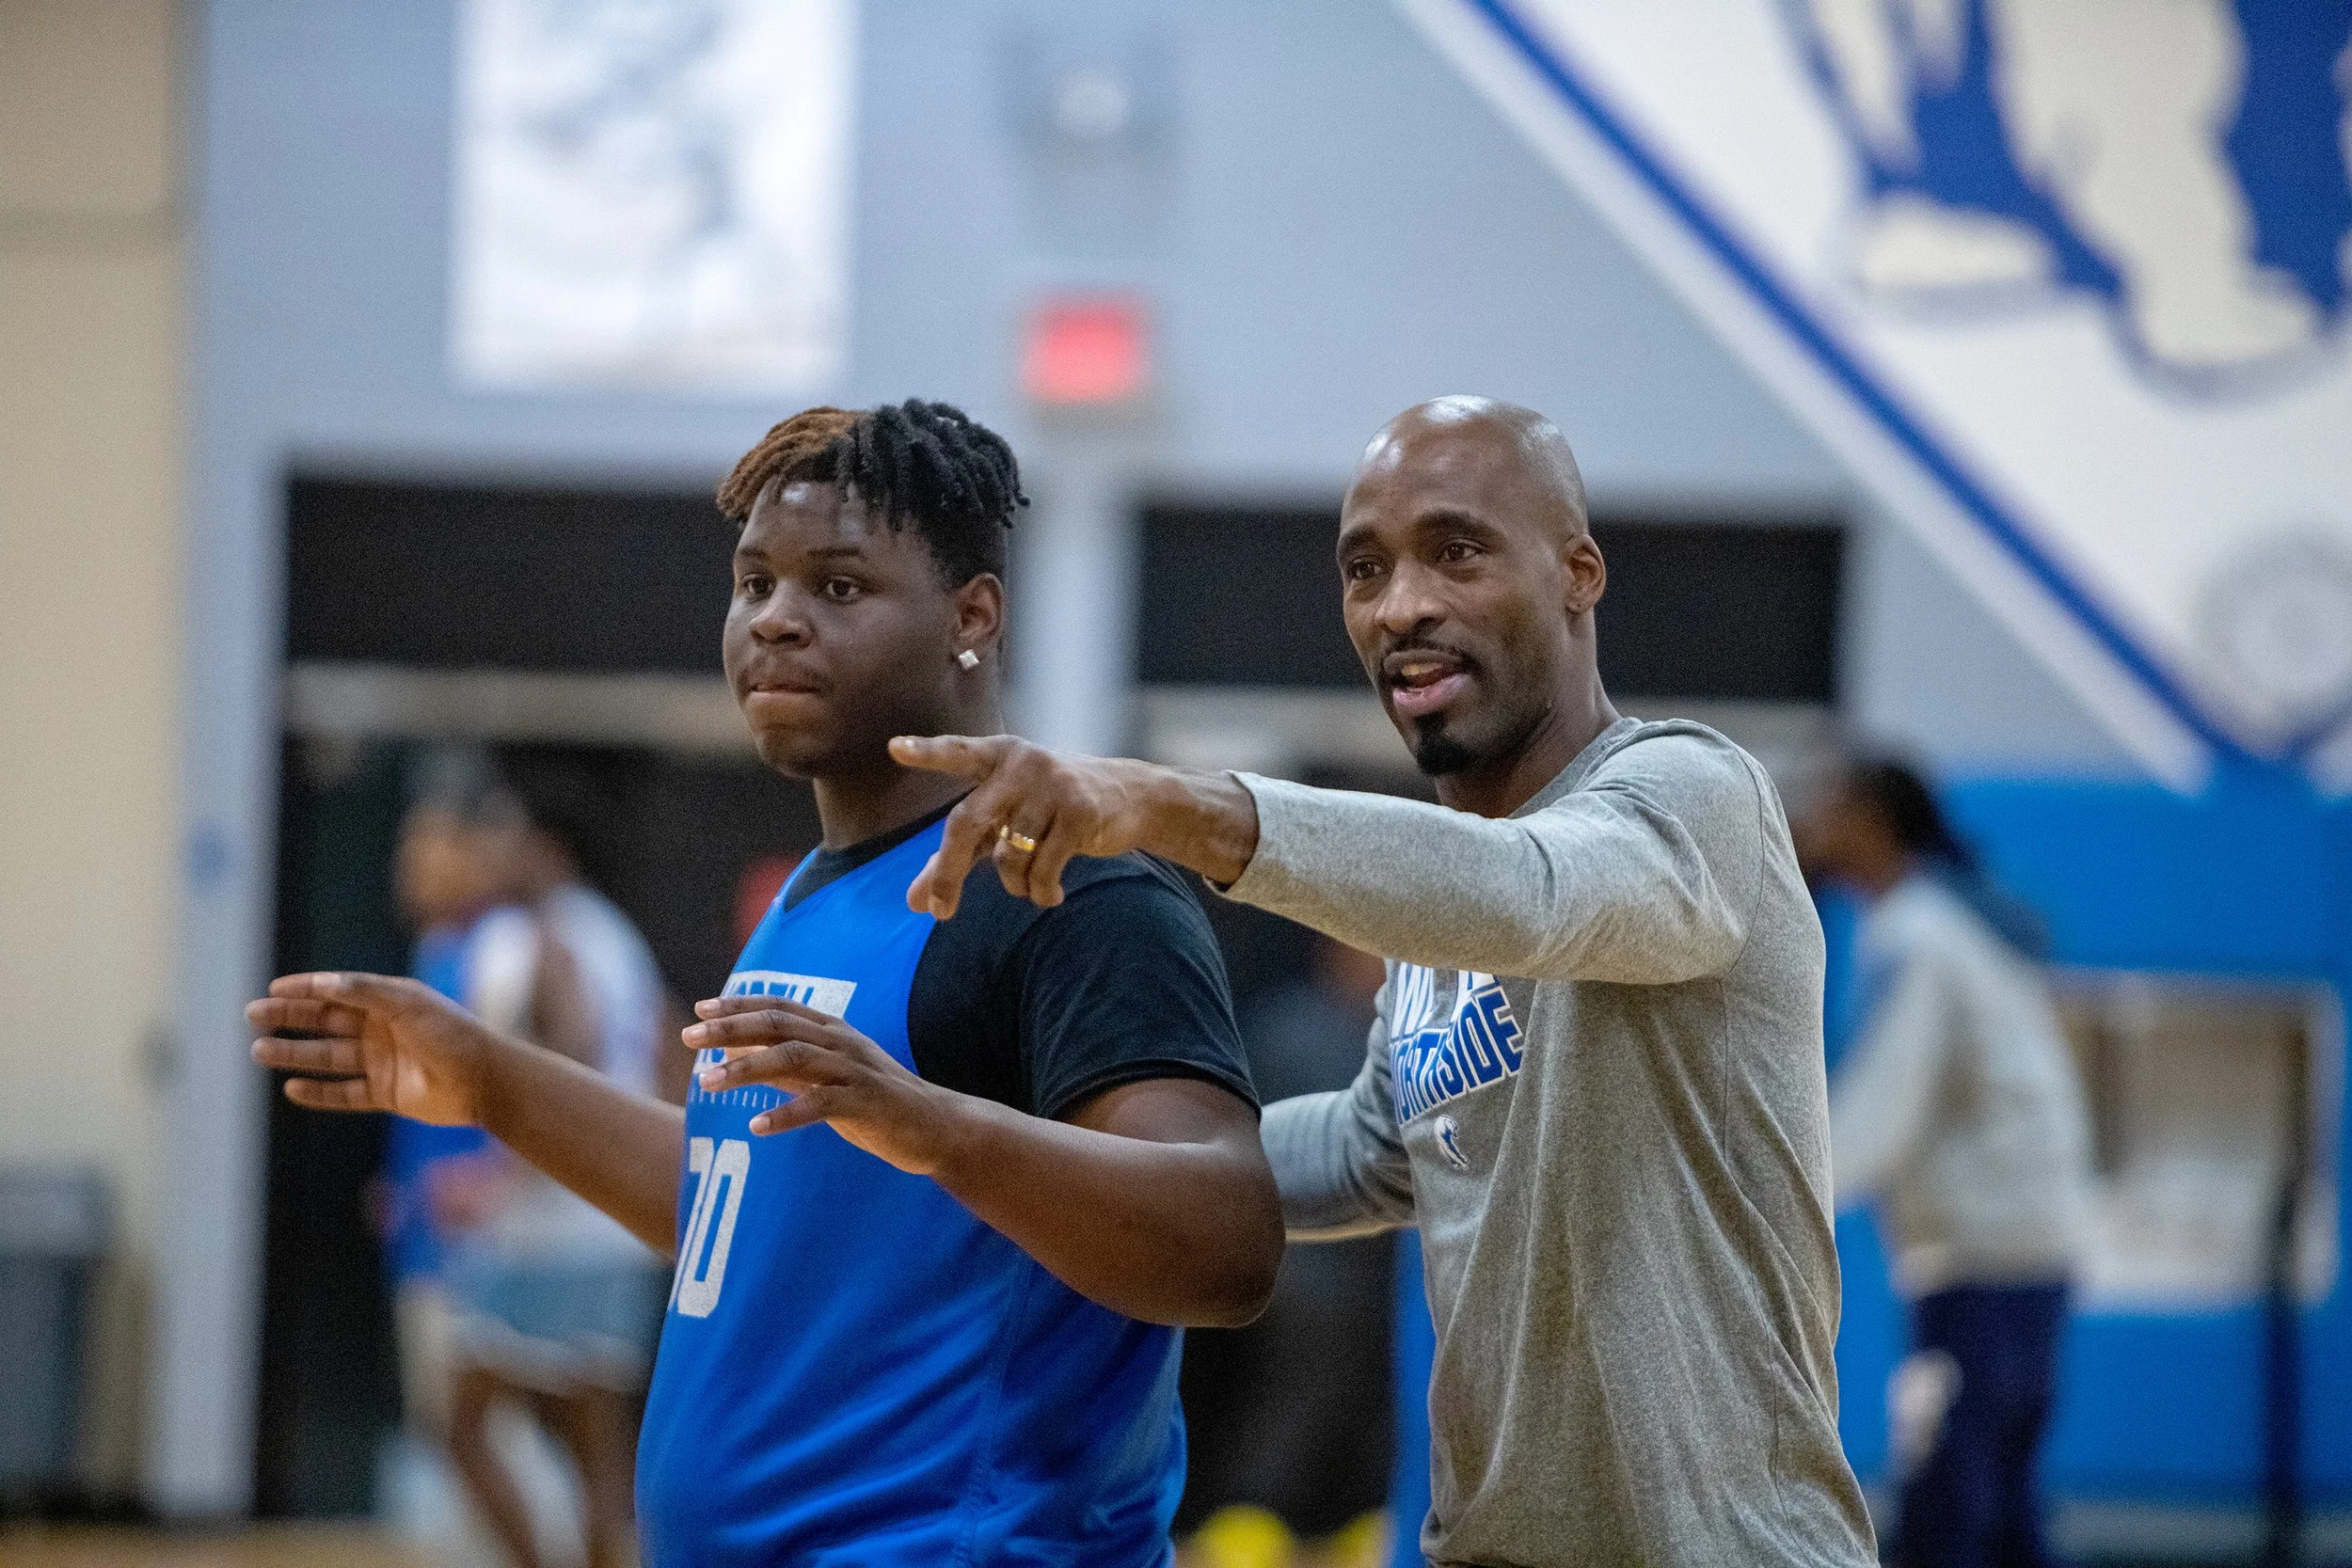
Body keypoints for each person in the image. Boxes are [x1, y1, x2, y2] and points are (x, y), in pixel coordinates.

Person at [251, 400, 1281, 1568]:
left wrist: (935, 1126)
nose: (776, 621)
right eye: (754, 585)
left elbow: (1226, 1239)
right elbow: (745, 1216)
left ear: (972, 616)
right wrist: (489, 1078)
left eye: (837, 588)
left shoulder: (1070, 888)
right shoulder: (816, 889)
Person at [889, 396, 1880, 1566]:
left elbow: (1536, 897)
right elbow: (1369, 1150)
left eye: (1456, 551)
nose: (1402, 604)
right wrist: (1006, 1154)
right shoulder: (1429, 910)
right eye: (1366, 568)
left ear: (1577, 572)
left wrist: (1172, 803)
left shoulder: (1695, 794)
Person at [1795, 756, 2092, 1568]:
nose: (1811, 824)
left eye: (1831, 801)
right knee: (2001, 1507)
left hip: (1982, 1265)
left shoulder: (1918, 934)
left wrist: (1781, 1196)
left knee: (1945, 1504)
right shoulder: (1947, 918)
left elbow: (1887, 1102)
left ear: (1876, 823)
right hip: (2030, 1251)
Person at [424, 768, 676, 1568]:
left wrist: (498, 1176)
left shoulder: (543, 936)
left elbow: (570, 1053)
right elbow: (668, 1044)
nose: (490, 849)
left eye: (503, 833)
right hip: (613, 1220)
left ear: (541, 846)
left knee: (462, 1425)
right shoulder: (614, 933)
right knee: (590, 1446)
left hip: (550, 1227)